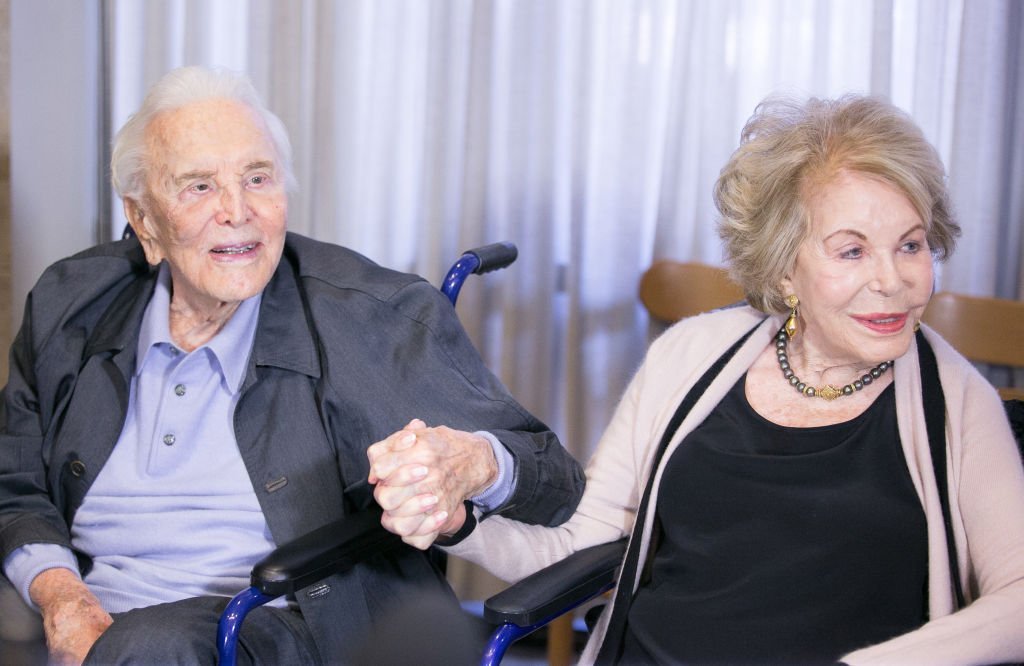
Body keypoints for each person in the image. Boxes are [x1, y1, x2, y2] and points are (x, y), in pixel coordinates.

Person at [372, 94, 1024, 664]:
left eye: (911, 245)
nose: (893, 280)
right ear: (783, 272)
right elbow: (578, 548)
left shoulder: (957, 400)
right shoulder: (689, 356)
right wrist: (462, 523)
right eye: (852, 250)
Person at [0, 65, 584, 665]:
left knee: (151, 648)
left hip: (288, 622)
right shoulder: (70, 304)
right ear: (145, 221)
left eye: (258, 178)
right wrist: (62, 598)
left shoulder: (369, 318)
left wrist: (474, 463)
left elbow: (555, 482)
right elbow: (12, 478)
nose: (237, 210)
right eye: (199, 186)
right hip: (93, 626)